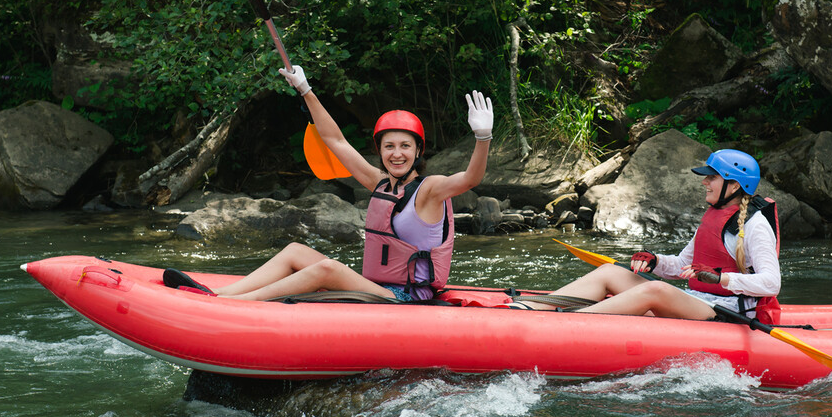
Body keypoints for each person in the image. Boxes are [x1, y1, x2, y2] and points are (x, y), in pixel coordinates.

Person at [163, 65, 493, 303]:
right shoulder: (377, 182)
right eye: (389, 146)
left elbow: (470, 179)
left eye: (405, 146)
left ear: (418, 151)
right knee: (295, 251)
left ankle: (237, 304)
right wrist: (305, 90)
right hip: (377, 286)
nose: (397, 154)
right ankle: (220, 293)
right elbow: (335, 139)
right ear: (379, 150)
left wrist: (483, 137)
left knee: (326, 268)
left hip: (408, 296)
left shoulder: (430, 189)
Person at [537, 149, 781, 322]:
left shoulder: (755, 225)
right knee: (611, 271)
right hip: (697, 299)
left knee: (657, 290)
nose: (704, 182)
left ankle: (566, 324)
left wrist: (722, 280)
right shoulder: (715, 215)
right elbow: (683, 265)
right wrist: (655, 262)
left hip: (727, 311)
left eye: (712, 177)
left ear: (735, 185)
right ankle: (531, 308)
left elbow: (771, 283)